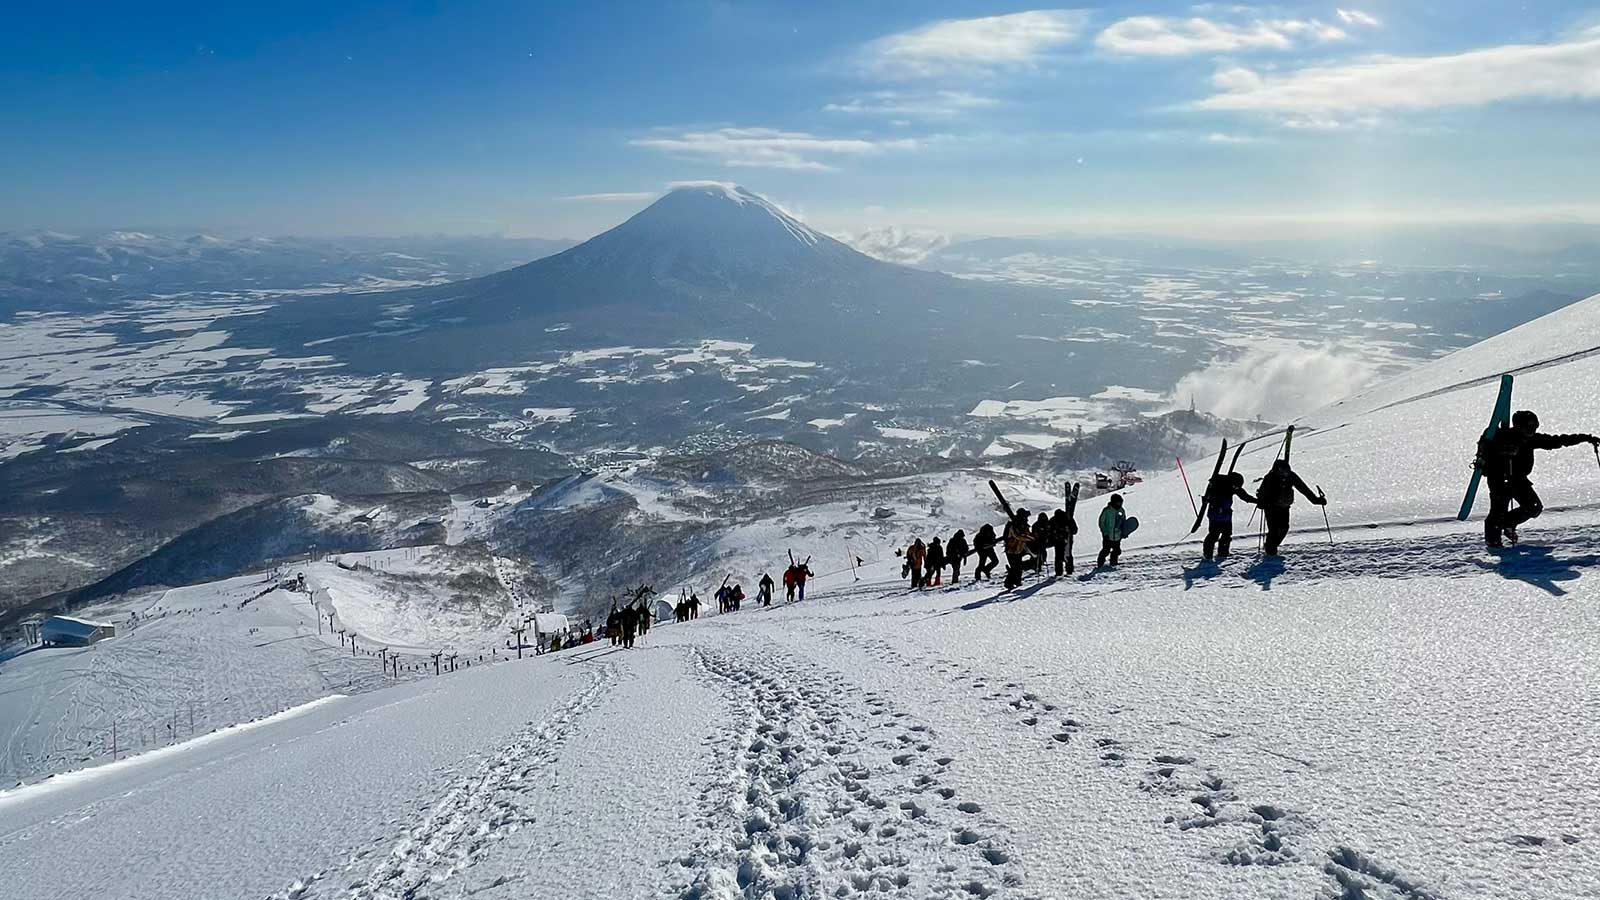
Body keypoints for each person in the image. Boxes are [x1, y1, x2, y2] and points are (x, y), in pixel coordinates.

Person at [1479, 411, 1598, 546]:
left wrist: (1586, 438)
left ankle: (1506, 524)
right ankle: (1493, 542)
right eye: (1529, 426)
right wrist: (1502, 451)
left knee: (1533, 508)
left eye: (1535, 426)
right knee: (1497, 512)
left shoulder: (1531, 439)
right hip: (1500, 480)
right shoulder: (1501, 436)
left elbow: (1558, 440)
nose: (1533, 429)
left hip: (1519, 479)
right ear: (1518, 426)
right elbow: (1486, 448)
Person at [1255, 459, 1326, 556]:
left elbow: (1304, 489)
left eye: (1286, 470)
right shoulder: (1270, 477)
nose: (1284, 472)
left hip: (1284, 507)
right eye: (1282, 470)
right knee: (1274, 530)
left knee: (1284, 528)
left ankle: (1271, 547)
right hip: (1271, 508)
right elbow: (1262, 492)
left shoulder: (1291, 476)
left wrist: (1316, 501)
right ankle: (1271, 551)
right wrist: (1261, 502)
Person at [1202, 472, 1256, 561]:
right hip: (1216, 515)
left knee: (1226, 535)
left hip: (1226, 515)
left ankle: (1223, 553)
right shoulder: (1219, 486)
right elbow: (1210, 498)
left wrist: (1258, 501)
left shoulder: (1232, 486)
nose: (1236, 488)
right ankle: (1208, 554)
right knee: (1214, 535)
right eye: (1236, 486)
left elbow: (1245, 496)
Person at [1003, 508, 1031, 589]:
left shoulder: (1023, 525)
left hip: (1019, 549)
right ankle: (1008, 583)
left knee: (1018, 567)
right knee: (1015, 567)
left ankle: (1017, 581)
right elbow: (1017, 536)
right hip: (1011, 549)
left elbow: (1027, 534)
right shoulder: (1013, 525)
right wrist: (1030, 538)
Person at [1097, 495, 1126, 568]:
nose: (1119, 504)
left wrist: (1124, 532)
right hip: (1108, 536)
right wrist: (1105, 533)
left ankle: (1113, 563)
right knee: (1106, 550)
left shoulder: (1121, 511)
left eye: (1120, 503)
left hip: (1117, 536)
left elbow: (1123, 522)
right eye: (1118, 503)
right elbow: (1101, 522)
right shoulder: (1107, 511)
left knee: (1117, 551)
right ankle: (1100, 564)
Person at [1049, 507, 1075, 576]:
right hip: (1065, 540)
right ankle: (1069, 571)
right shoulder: (1068, 518)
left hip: (1060, 540)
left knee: (1059, 556)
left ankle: (1060, 572)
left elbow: (1049, 531)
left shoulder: (1053, 519)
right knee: (1067, 555)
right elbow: (1075, 530)